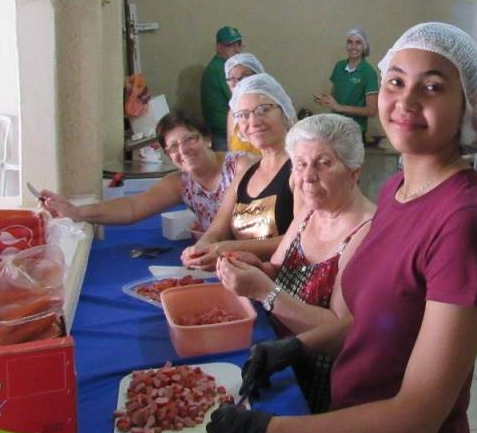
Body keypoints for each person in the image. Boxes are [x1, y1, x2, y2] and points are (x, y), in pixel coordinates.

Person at [208, 23, 477, 433]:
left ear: (468, 105)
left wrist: (271, 432)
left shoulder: (465, 224)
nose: (406, 101)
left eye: (433, 86)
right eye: (396, 81)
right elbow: (378, 320)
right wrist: (298, 345)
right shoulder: (396, 191)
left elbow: (418, 417)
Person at [216, 113, 375, 412]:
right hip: (275, 359)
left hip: (320, 385)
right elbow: (276, 270)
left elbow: (340, 334)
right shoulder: (310, 210)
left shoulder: (367, 233)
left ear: (354, 172)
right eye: (300, 164)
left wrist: (264, 291)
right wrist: (254, 267)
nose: (308, 176)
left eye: (323, 163)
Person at [40, 112, 250, 232]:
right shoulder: (182, 183)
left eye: (189, 139)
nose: (183, 150)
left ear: (208, 139)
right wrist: (76, 212)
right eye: (173, 147)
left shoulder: (239, 166)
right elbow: (132, 208)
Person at [182, 73, 297, 269]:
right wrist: (201, 248)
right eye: (243, 115)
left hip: (284, 281)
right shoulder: (246, 174)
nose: (253, 121)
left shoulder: (301, 170)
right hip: (243, 278)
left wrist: (229, 248)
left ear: (284, 112)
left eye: (263, 110)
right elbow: (217, 230)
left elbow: (300, 239)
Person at [314, 27, 379, 139]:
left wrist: (340, 107)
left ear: (364, 46)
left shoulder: (368, 72)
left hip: (354, 131)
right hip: (335, 127)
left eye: (358, 43)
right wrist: (325, 101)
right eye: (350, 42)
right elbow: (334, 96)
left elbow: (372, 111)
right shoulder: (339, 66)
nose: (353, 46)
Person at [200, 25, 244, 149]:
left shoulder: (223, 65)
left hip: (226, 131)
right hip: (222, 135)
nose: (237, 50)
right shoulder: (220, 68)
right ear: (219, 48)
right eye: (231, 45)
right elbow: (240, 100)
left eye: (238, 44)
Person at [224, 52, 264, 155]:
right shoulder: (232, 113)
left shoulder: (272, 106)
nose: (239, 83)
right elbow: (231, 152)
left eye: (245, 76)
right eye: (232, 79)